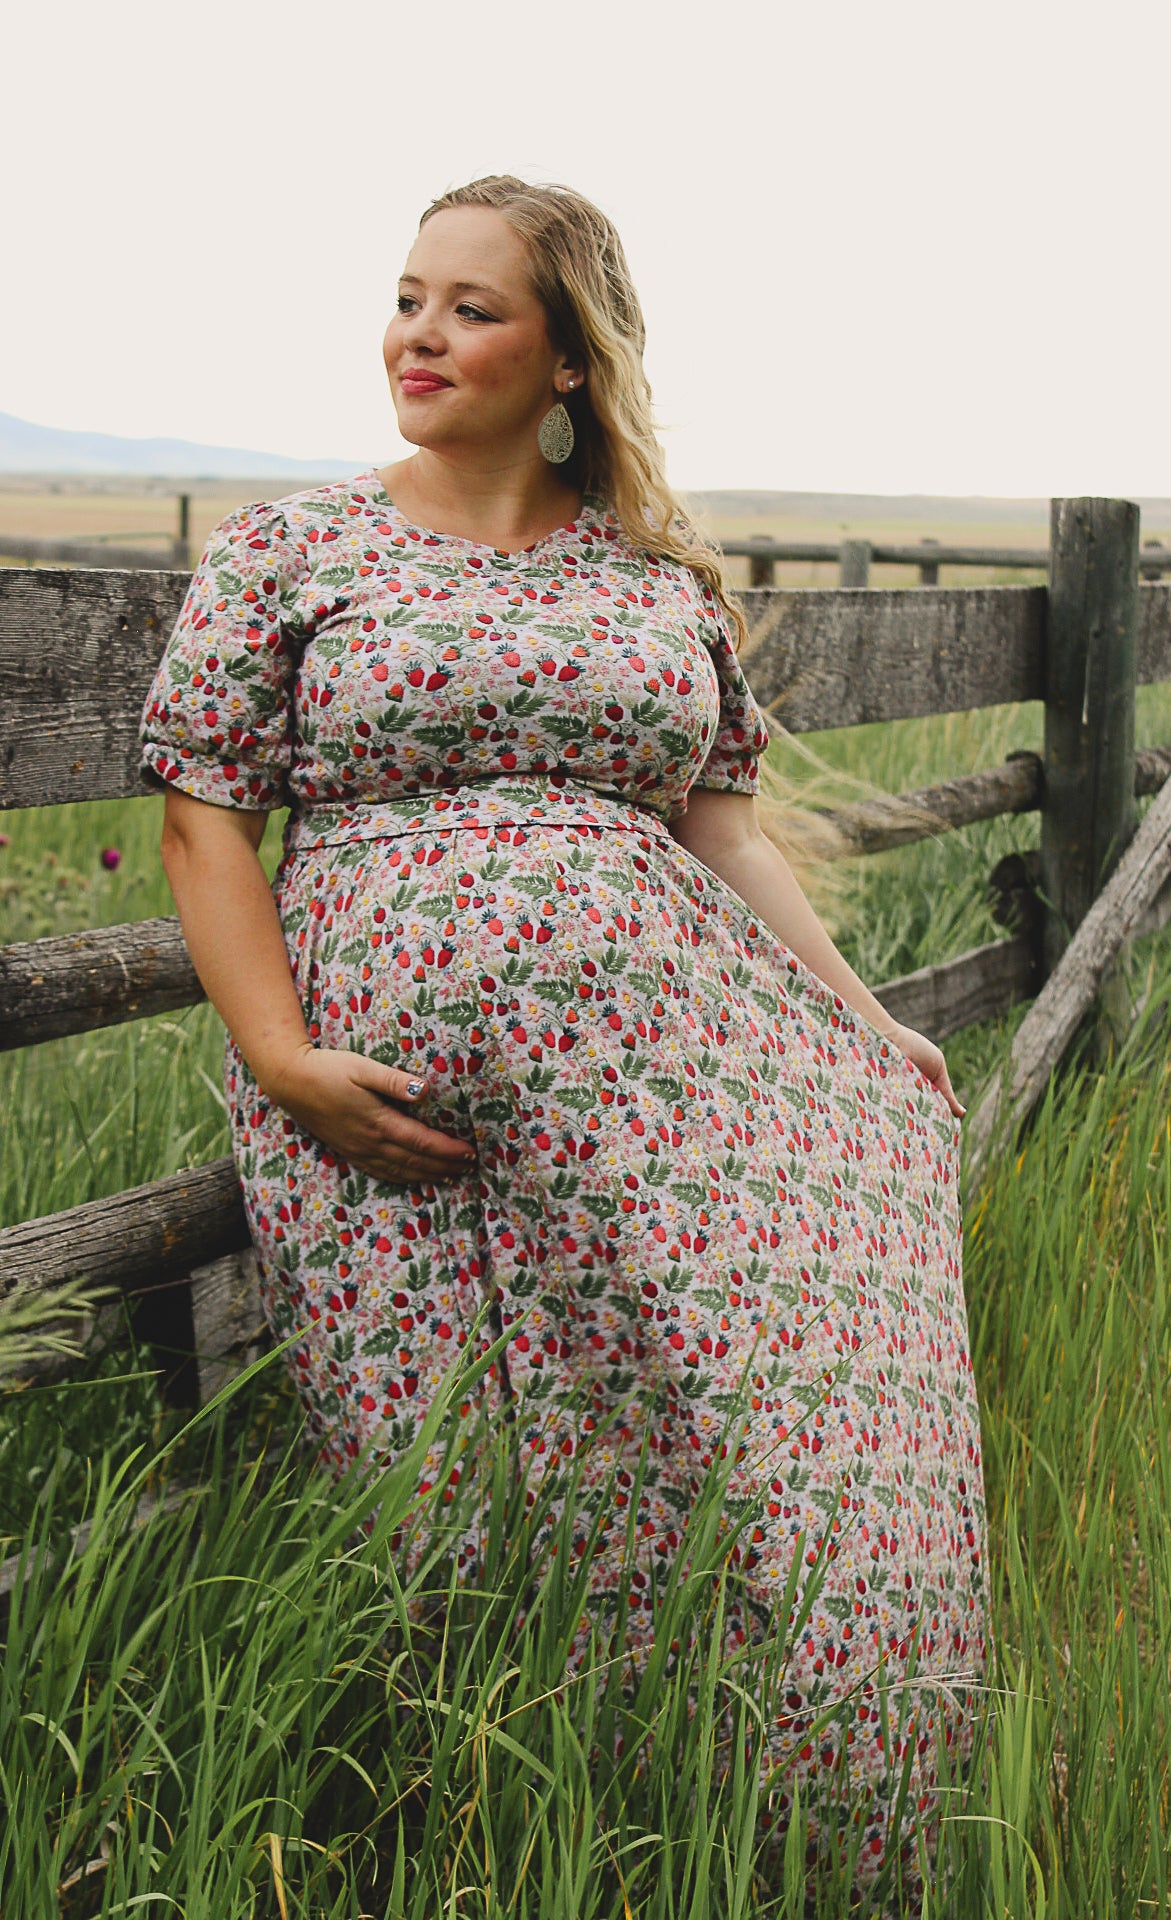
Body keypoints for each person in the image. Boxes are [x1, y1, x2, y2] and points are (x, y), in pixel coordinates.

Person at [138, 174, 989, 1897]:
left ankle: (779, 1822)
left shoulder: (653, 580)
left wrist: (859, 1020)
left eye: (471, 307)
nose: (418, 335)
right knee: (452, 1475)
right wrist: (285, 1058)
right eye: (405, 297)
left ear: (570, 360)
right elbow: (202, 815)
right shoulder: (297, 552)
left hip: (667, 1083)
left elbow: (724, 826)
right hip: (398, 1100)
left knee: (731, 1440)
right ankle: (476, 1835)